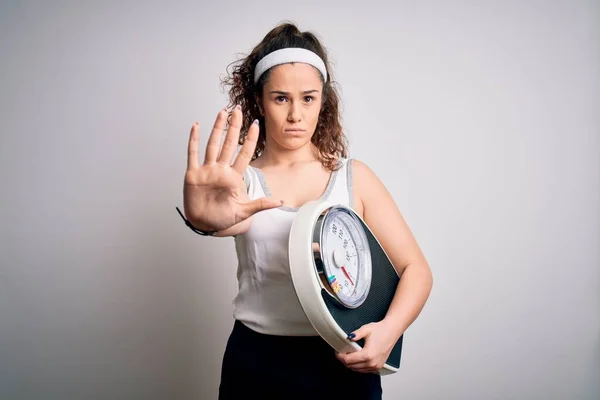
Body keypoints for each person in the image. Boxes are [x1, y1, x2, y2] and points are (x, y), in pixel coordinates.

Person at [178, 22, 433, 399]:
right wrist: (200, 220)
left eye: (308, 98)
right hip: (256, 363)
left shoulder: (353, 178)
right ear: (259, 101)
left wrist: (389, 331)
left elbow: (417, 270)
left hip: (343, 362)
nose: (295, 114)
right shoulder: (239, 181)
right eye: (281, 98)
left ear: (323, 101)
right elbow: (217, 220)